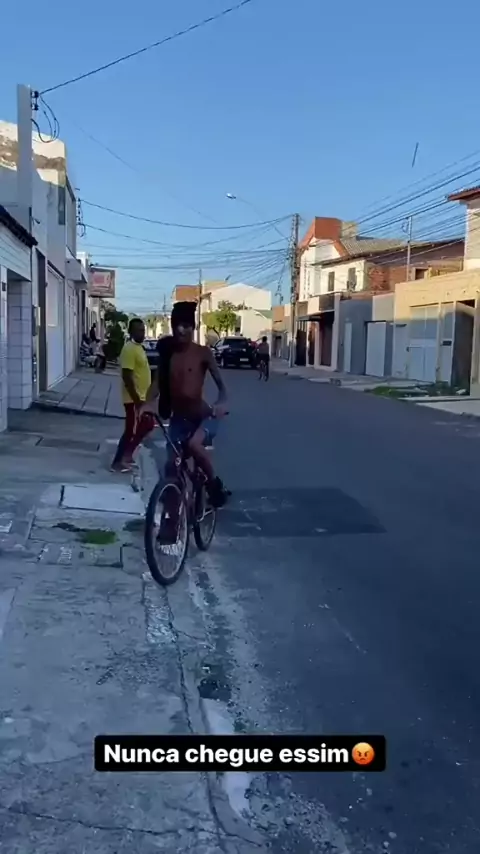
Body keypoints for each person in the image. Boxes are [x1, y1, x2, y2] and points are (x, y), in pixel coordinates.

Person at [151, 300, 229, 509]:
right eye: (177, 325)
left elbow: (222, 387)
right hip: (179, 419)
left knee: (194, 446)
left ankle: (213, 485)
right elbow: (156, 384)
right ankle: (173, 516)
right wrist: (146, 404)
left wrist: (221, 403)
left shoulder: (203, 353)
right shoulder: (168, 354)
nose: (180, 330)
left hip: (203, 417)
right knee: (171, 465)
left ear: (193, 328)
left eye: (186, 326)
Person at [111, 318, 155, 472]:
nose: (142, 333)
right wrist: (137, 400)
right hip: (133, 399)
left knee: (148, 424)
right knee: (131, 430)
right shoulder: (129, 349)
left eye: (143, 330)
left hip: (142, 397)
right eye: (139, 330)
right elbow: (127, 376)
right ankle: (118, 462)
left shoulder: (139, 348)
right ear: (131, 332)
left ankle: (128, 455)